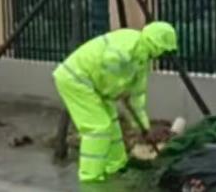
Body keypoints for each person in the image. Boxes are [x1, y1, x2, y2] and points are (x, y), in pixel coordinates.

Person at [53, 21, 178, 183]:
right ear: (157, 45)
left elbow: (137, 96)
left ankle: (116, 167)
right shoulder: (127, 46)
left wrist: (143, 128)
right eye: (163, 50)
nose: (162, 54)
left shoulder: (141, 60)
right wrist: (117, 90)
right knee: (98, 128)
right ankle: (91, 178)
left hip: (93, 83)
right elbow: (109, 68)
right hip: (75, 78)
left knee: (112, 123)